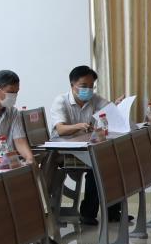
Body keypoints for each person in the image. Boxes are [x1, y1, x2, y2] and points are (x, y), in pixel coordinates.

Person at [46, 65, 123, 226]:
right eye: (83, 86)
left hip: (84, 148)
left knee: (114, 162)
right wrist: (79, 126)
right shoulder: (61, 101)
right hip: (64, 151)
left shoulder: (94, 99)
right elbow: (60, 129)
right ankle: (88, 213)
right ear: (72, 85)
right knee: (98, 165)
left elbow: (110, 110)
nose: (88, 90)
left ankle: (113, 212)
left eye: (91, 86)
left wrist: (117, 106)